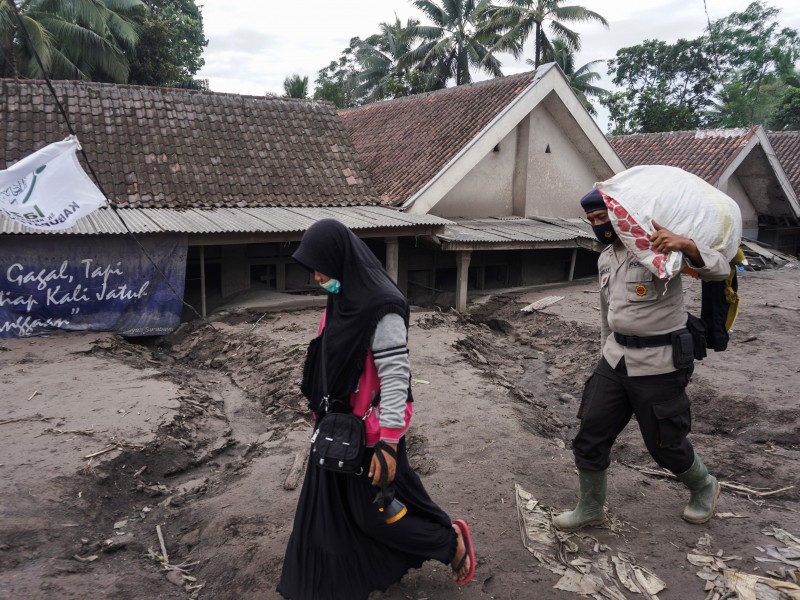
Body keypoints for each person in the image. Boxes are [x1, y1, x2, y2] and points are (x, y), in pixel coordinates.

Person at [277, 219, 476, 600]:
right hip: (335, 431)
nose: (318, 277)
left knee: (376, 516)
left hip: (368, 439)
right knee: (329, 518)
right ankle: (323, 586)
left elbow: (397, 378)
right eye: (313, 270)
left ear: (341, 259)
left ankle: (450, 543)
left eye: (321, 267)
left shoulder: (381, 307)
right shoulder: (341, 299)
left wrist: (387, 443)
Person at [553, 189, 730, 532]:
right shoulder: (606, 258)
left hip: (659, 363)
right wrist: (602, 355)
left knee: (665, 444)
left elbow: (720, 270)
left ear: (620, 214)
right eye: (591, 221)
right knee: (590, 436)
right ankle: (590, 508)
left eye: (602, 217)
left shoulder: (659, 247)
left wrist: (687, 245)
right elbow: (608, 314)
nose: (598, 225)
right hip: (614, 360)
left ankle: (704, 486)